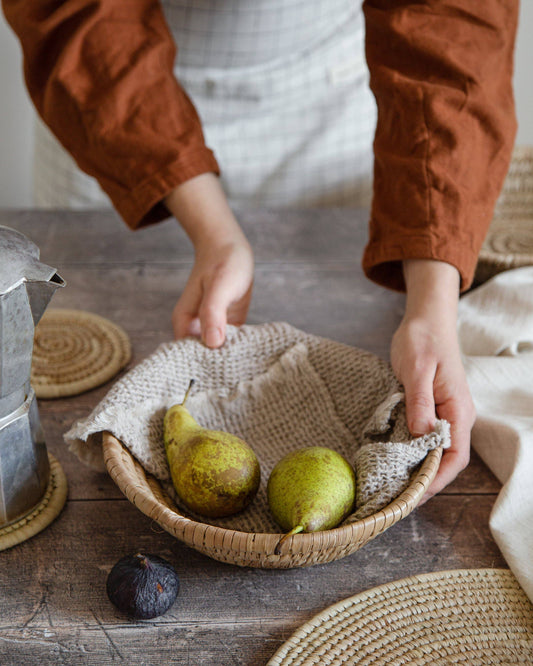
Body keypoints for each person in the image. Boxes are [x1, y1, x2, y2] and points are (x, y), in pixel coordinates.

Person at [3, 0, 518, 501]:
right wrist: (214, 232)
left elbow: (453, 24)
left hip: (325, 94)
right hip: (112, 100)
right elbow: (77, 12)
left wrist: (431, 309)